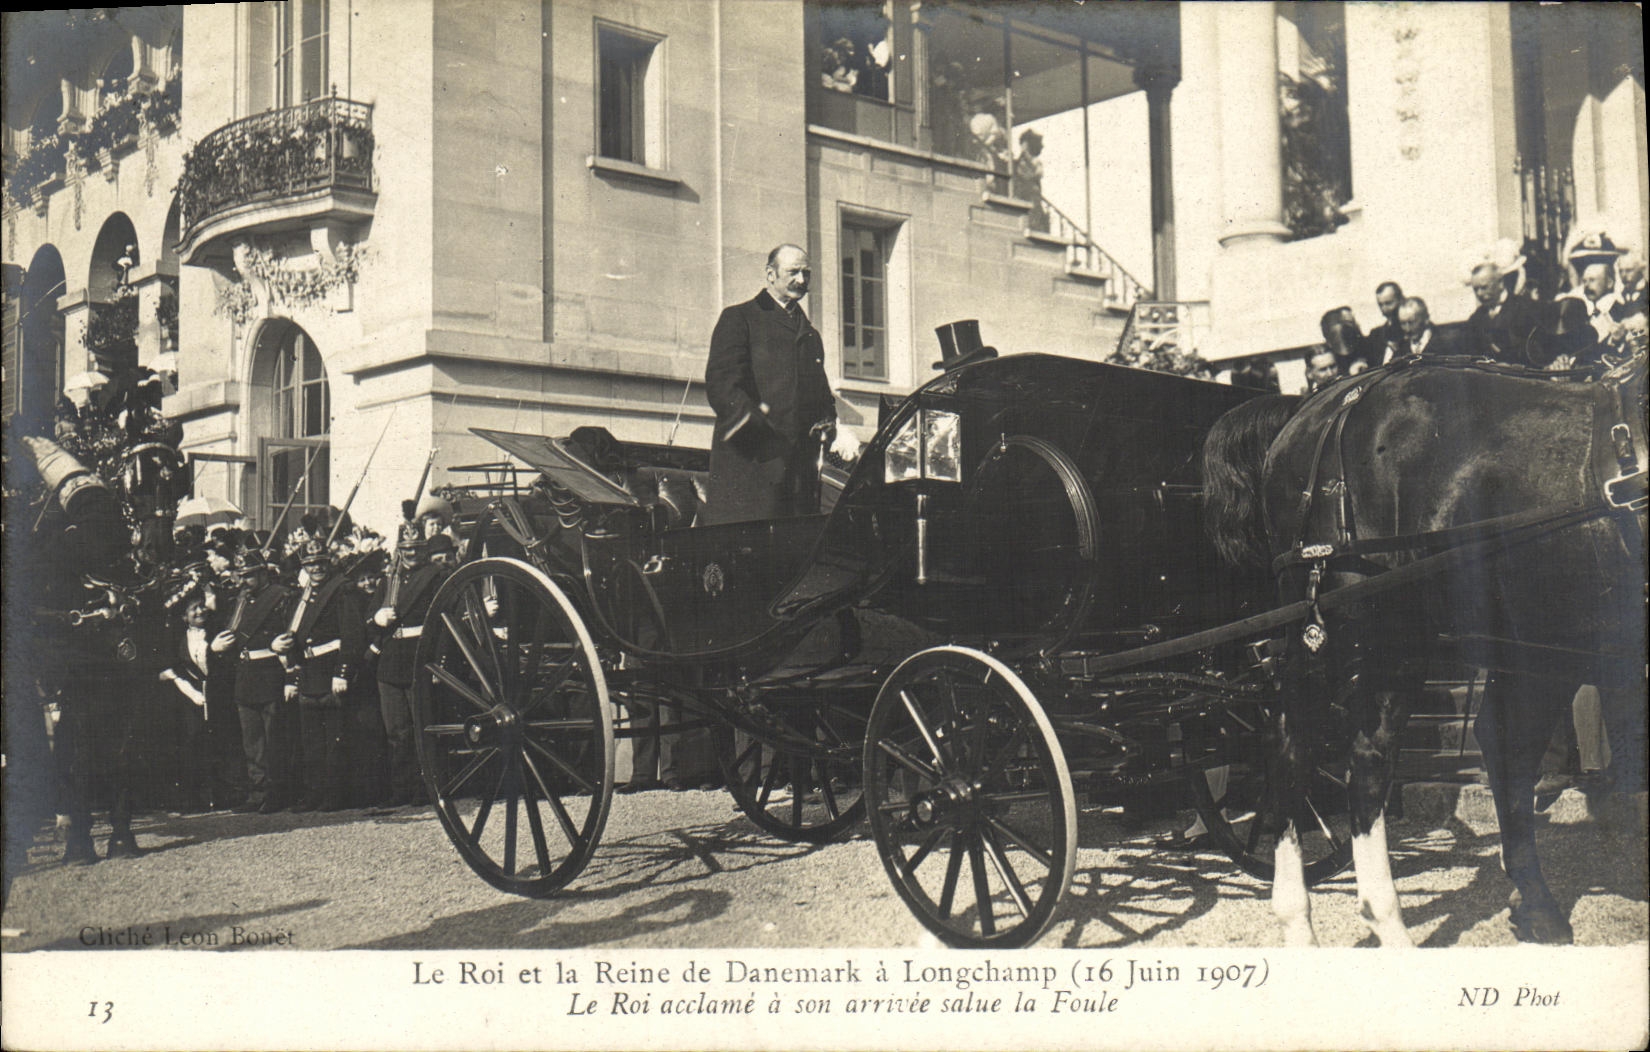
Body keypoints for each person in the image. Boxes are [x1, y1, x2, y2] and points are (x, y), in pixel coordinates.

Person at [702, 244, 839, 525]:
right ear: (770, 274)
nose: (801, 280)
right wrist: (768, 450)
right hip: (750, 473)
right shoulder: (739, 318)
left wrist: (830, 422)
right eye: (793, 272)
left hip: (799, 477)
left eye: (806, 273)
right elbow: (722, 389)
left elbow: (820, 396)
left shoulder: (810, 334)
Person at [273, 541, 365, 812]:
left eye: (321, 563)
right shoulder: (301, 598)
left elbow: (352, 634)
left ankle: (335, 795)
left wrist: (343, 671)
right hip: (309, 672)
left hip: (331, 670)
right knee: (311, 741)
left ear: (329, 563)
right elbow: (293, 639)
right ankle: (314, 793)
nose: (316, 568)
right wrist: (292, 675)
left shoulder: (342, 591)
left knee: (334, 740)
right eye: (310, 564)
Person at [371, 524, 451, 806]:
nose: (411, 554)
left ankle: (426, 788)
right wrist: (377, 617)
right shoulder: (388, 582)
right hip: (392, 661)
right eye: (406, 549)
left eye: (416, 548)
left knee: (422, 727)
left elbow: (444, 623)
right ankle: (401, 789)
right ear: (399, 551)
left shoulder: (435, 577)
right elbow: (370, 620)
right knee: (396, 732)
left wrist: (439, 663)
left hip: (420, 655)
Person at [215, 549, 296, 813]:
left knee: (273, 740)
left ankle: (276, 792)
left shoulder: (280, 597)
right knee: (252, 742)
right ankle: (257, 791)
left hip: (270, 672)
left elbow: (290, 632)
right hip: (245, 675)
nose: (243, 581)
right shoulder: (239, 601)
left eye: (249, 576)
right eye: (240, 576)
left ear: (263, 573)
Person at [1465, 260, 1551, 366]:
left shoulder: (1526, 307)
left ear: (1500, 283)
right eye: (1476, 289)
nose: (1479, 293)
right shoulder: (1475, 319)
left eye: (1484, 287)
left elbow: (1540, 352)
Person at [1396, 296, 1466, 356]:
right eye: (1403, 323)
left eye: (1411, 322)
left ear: (1426, 319)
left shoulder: (1446, 343)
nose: (1407, 329)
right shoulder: (1401, 350)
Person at [1365, 281, 1407, 366]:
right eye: (1381, 305)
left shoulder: (1412, 331)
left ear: (1401, 300)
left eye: (1388, 303)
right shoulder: (1375, 335)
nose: (1384, 309)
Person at [1013, 128, 1047, 232]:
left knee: (1034, 213)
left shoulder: (1035, 162)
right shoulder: (1020, 160)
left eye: (1024, 144)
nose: (1023, 147)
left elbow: (1036, 173)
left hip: (1032, 192)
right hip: (1023, 191)